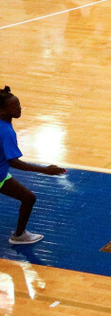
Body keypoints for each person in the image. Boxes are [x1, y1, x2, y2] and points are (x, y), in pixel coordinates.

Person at [0, 86, 66, 246]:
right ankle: (19, 235)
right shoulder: (6, 132)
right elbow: (14, 162)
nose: (19, 108)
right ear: (2, 110)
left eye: (19, 104)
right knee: (29, 198)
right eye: (14, 106)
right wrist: (45, 170)